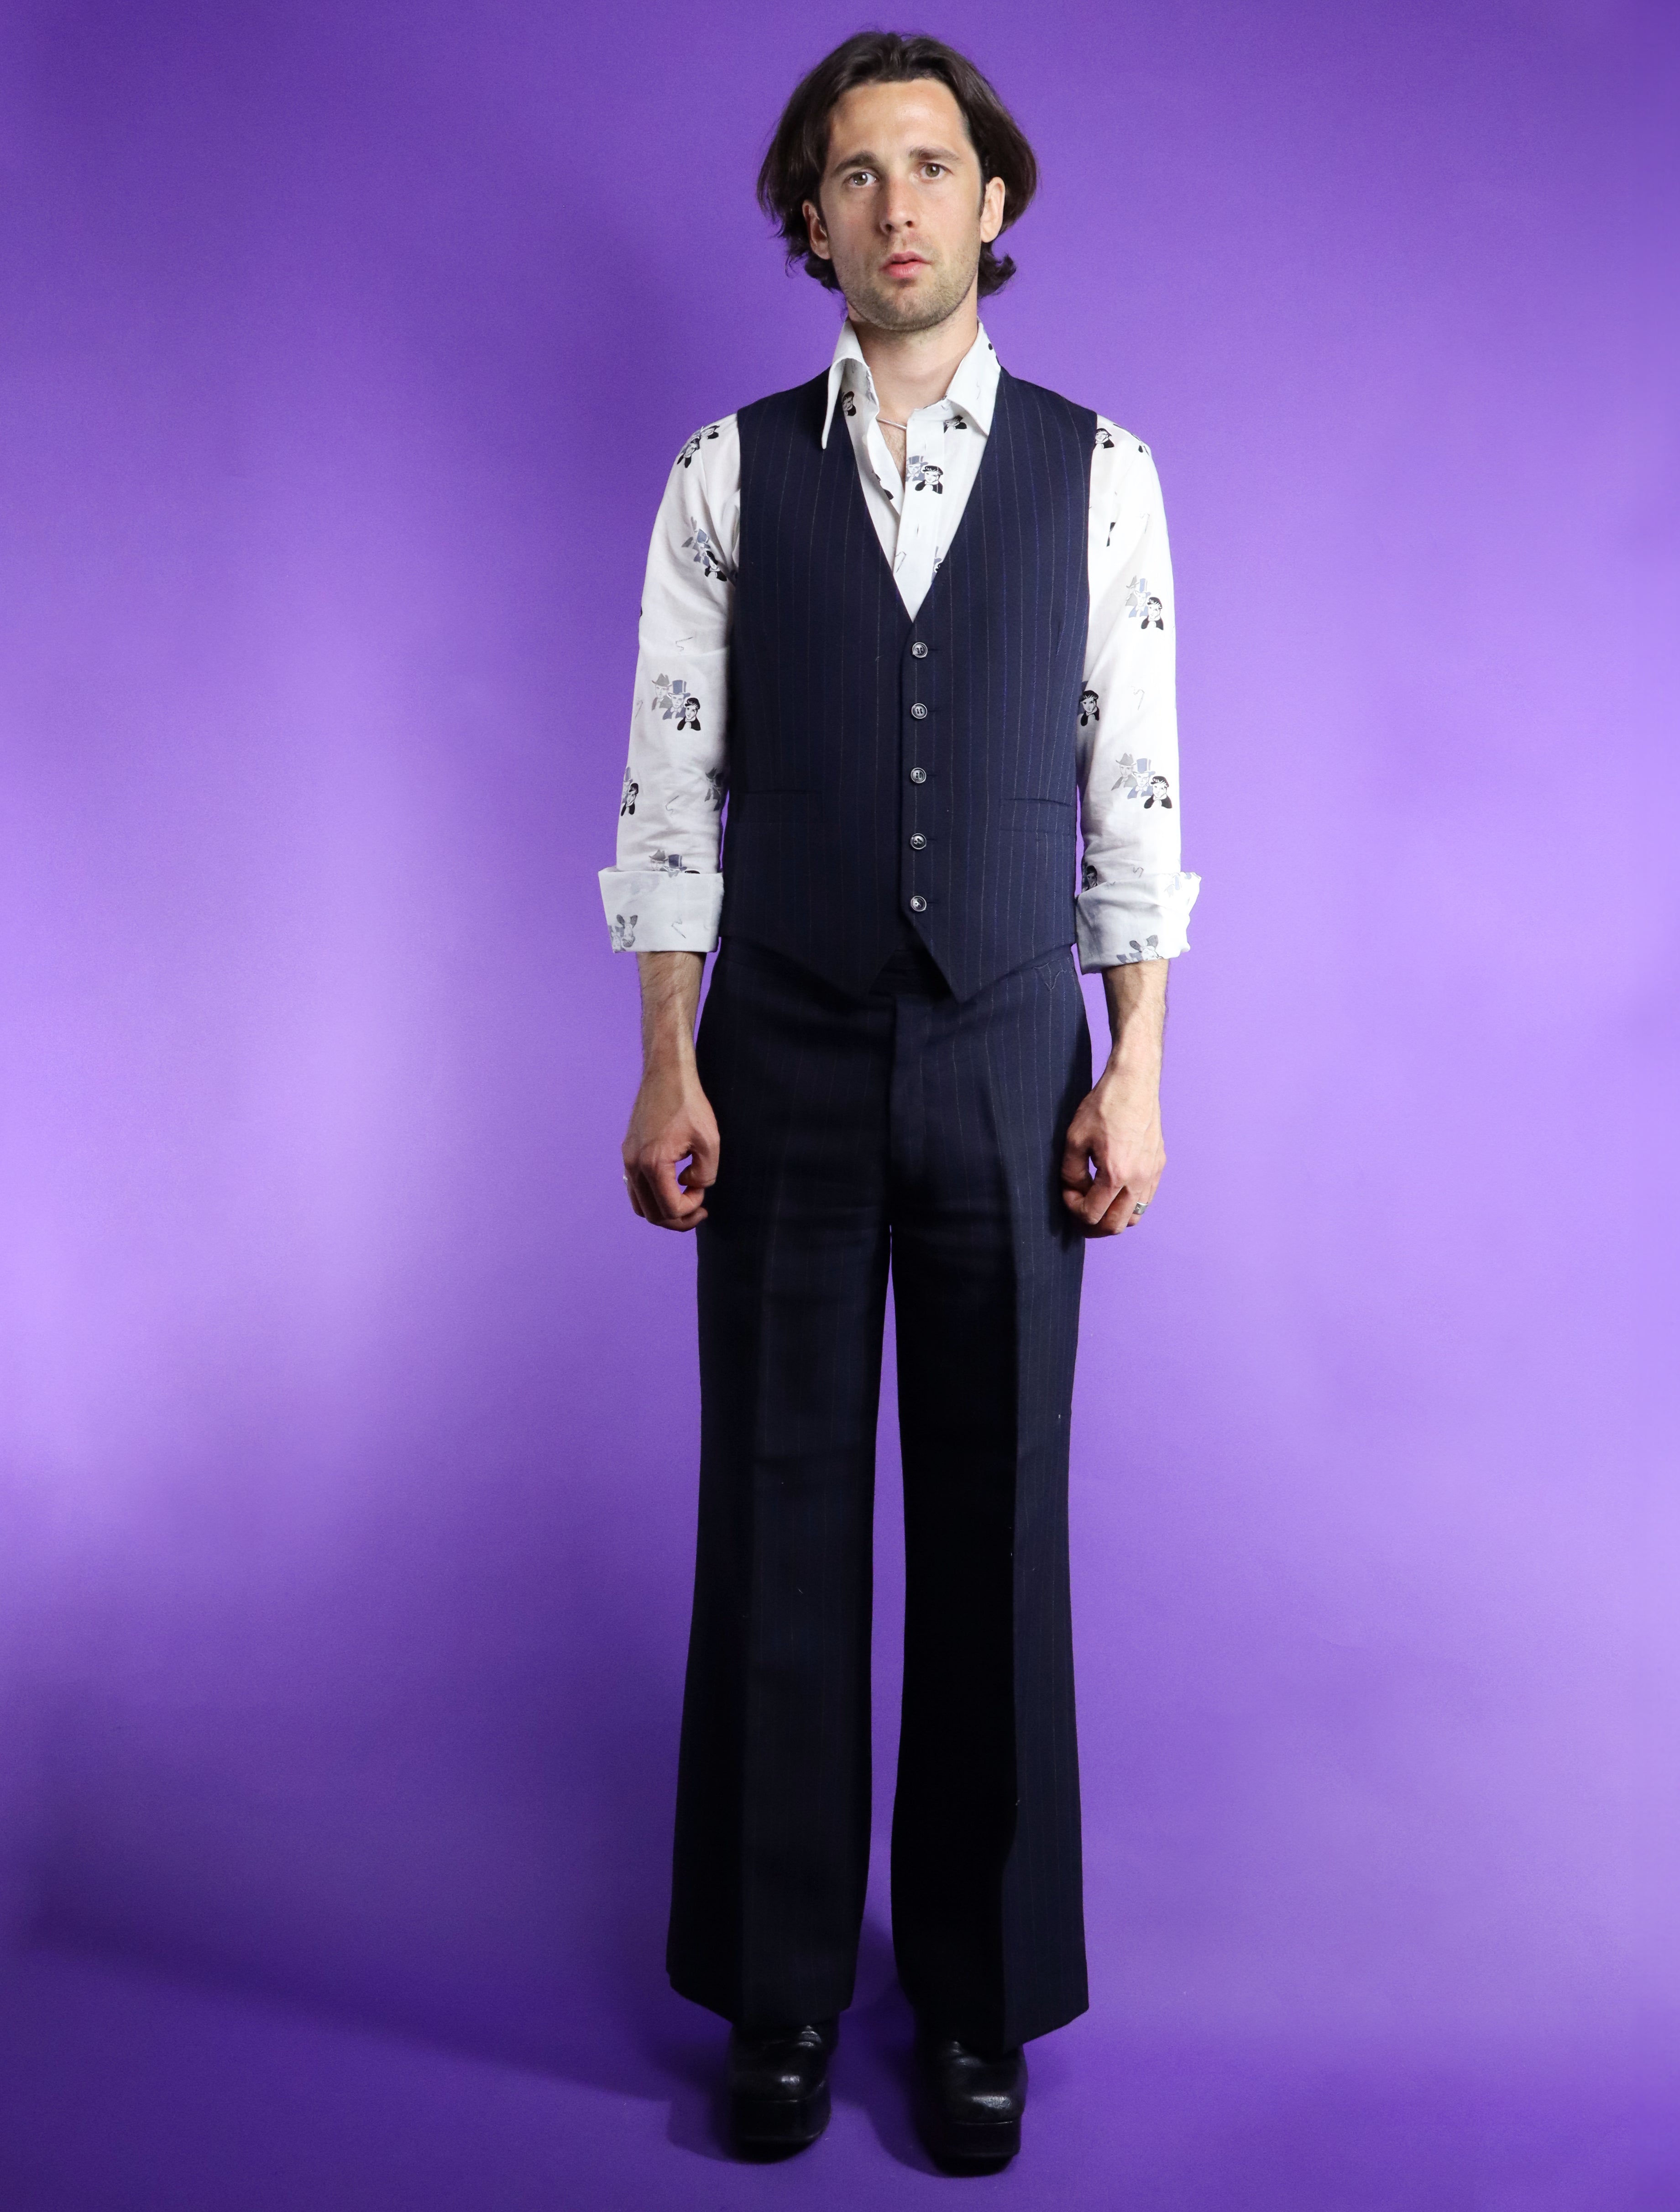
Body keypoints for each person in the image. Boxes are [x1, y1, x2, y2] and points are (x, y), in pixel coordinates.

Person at [600, 29, 1199, 2171]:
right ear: (814, 219)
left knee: (996, 1530)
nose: (897, 206)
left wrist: (1138, 1069)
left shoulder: (1100, 473)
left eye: (931, 167)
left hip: (1011, 1047)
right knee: (773, 1517)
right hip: (774, 1047)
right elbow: (670, 790)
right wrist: (666, 1054)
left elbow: (1135, 793)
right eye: (855, 175)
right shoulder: (723, 473)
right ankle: (778, 1995)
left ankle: (974, 2001)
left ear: (991, 202)